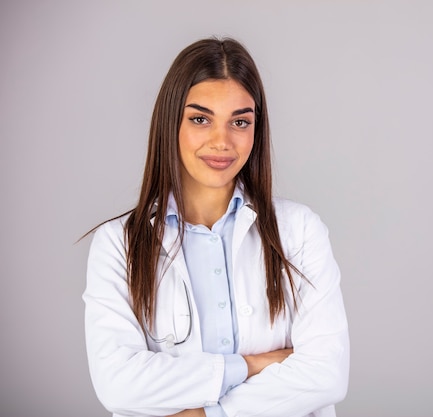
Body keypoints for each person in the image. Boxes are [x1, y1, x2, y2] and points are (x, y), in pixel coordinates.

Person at [82, 37, 350, 417]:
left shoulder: (300, 231)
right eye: (200, 119)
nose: (221, 142)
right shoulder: (119, 244)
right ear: (169, 123)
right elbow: (119, 383)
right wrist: (249, 365)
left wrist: (210, 414)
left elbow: (326, 374)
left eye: (239, 122)